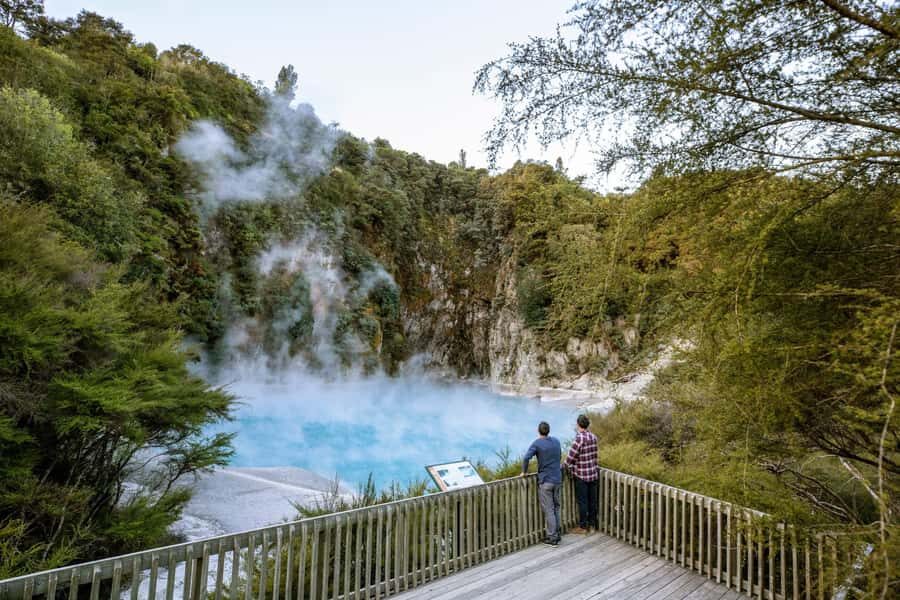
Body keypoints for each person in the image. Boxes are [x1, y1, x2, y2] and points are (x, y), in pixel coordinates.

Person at [521, 421, 562, 546]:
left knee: (549, 509)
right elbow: (559, 456)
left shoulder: (537, 443)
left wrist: (524, 472)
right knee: (555, 507)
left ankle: (552, 538)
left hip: (546, 481)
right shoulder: (556, 441)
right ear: (548, 430)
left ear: (538, 431)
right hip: (557, 478)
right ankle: (557, 533)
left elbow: (526, 458)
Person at [564, 414, 599, 534]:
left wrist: (564, 466)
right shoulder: (594, 437)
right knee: (592, 501)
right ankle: (593, 525)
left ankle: (583, 527)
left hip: (582, 476)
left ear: (578, 425)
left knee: (583, 502)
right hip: (593, 474)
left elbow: (570, 458)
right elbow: (595, 456)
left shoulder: (579, 439)